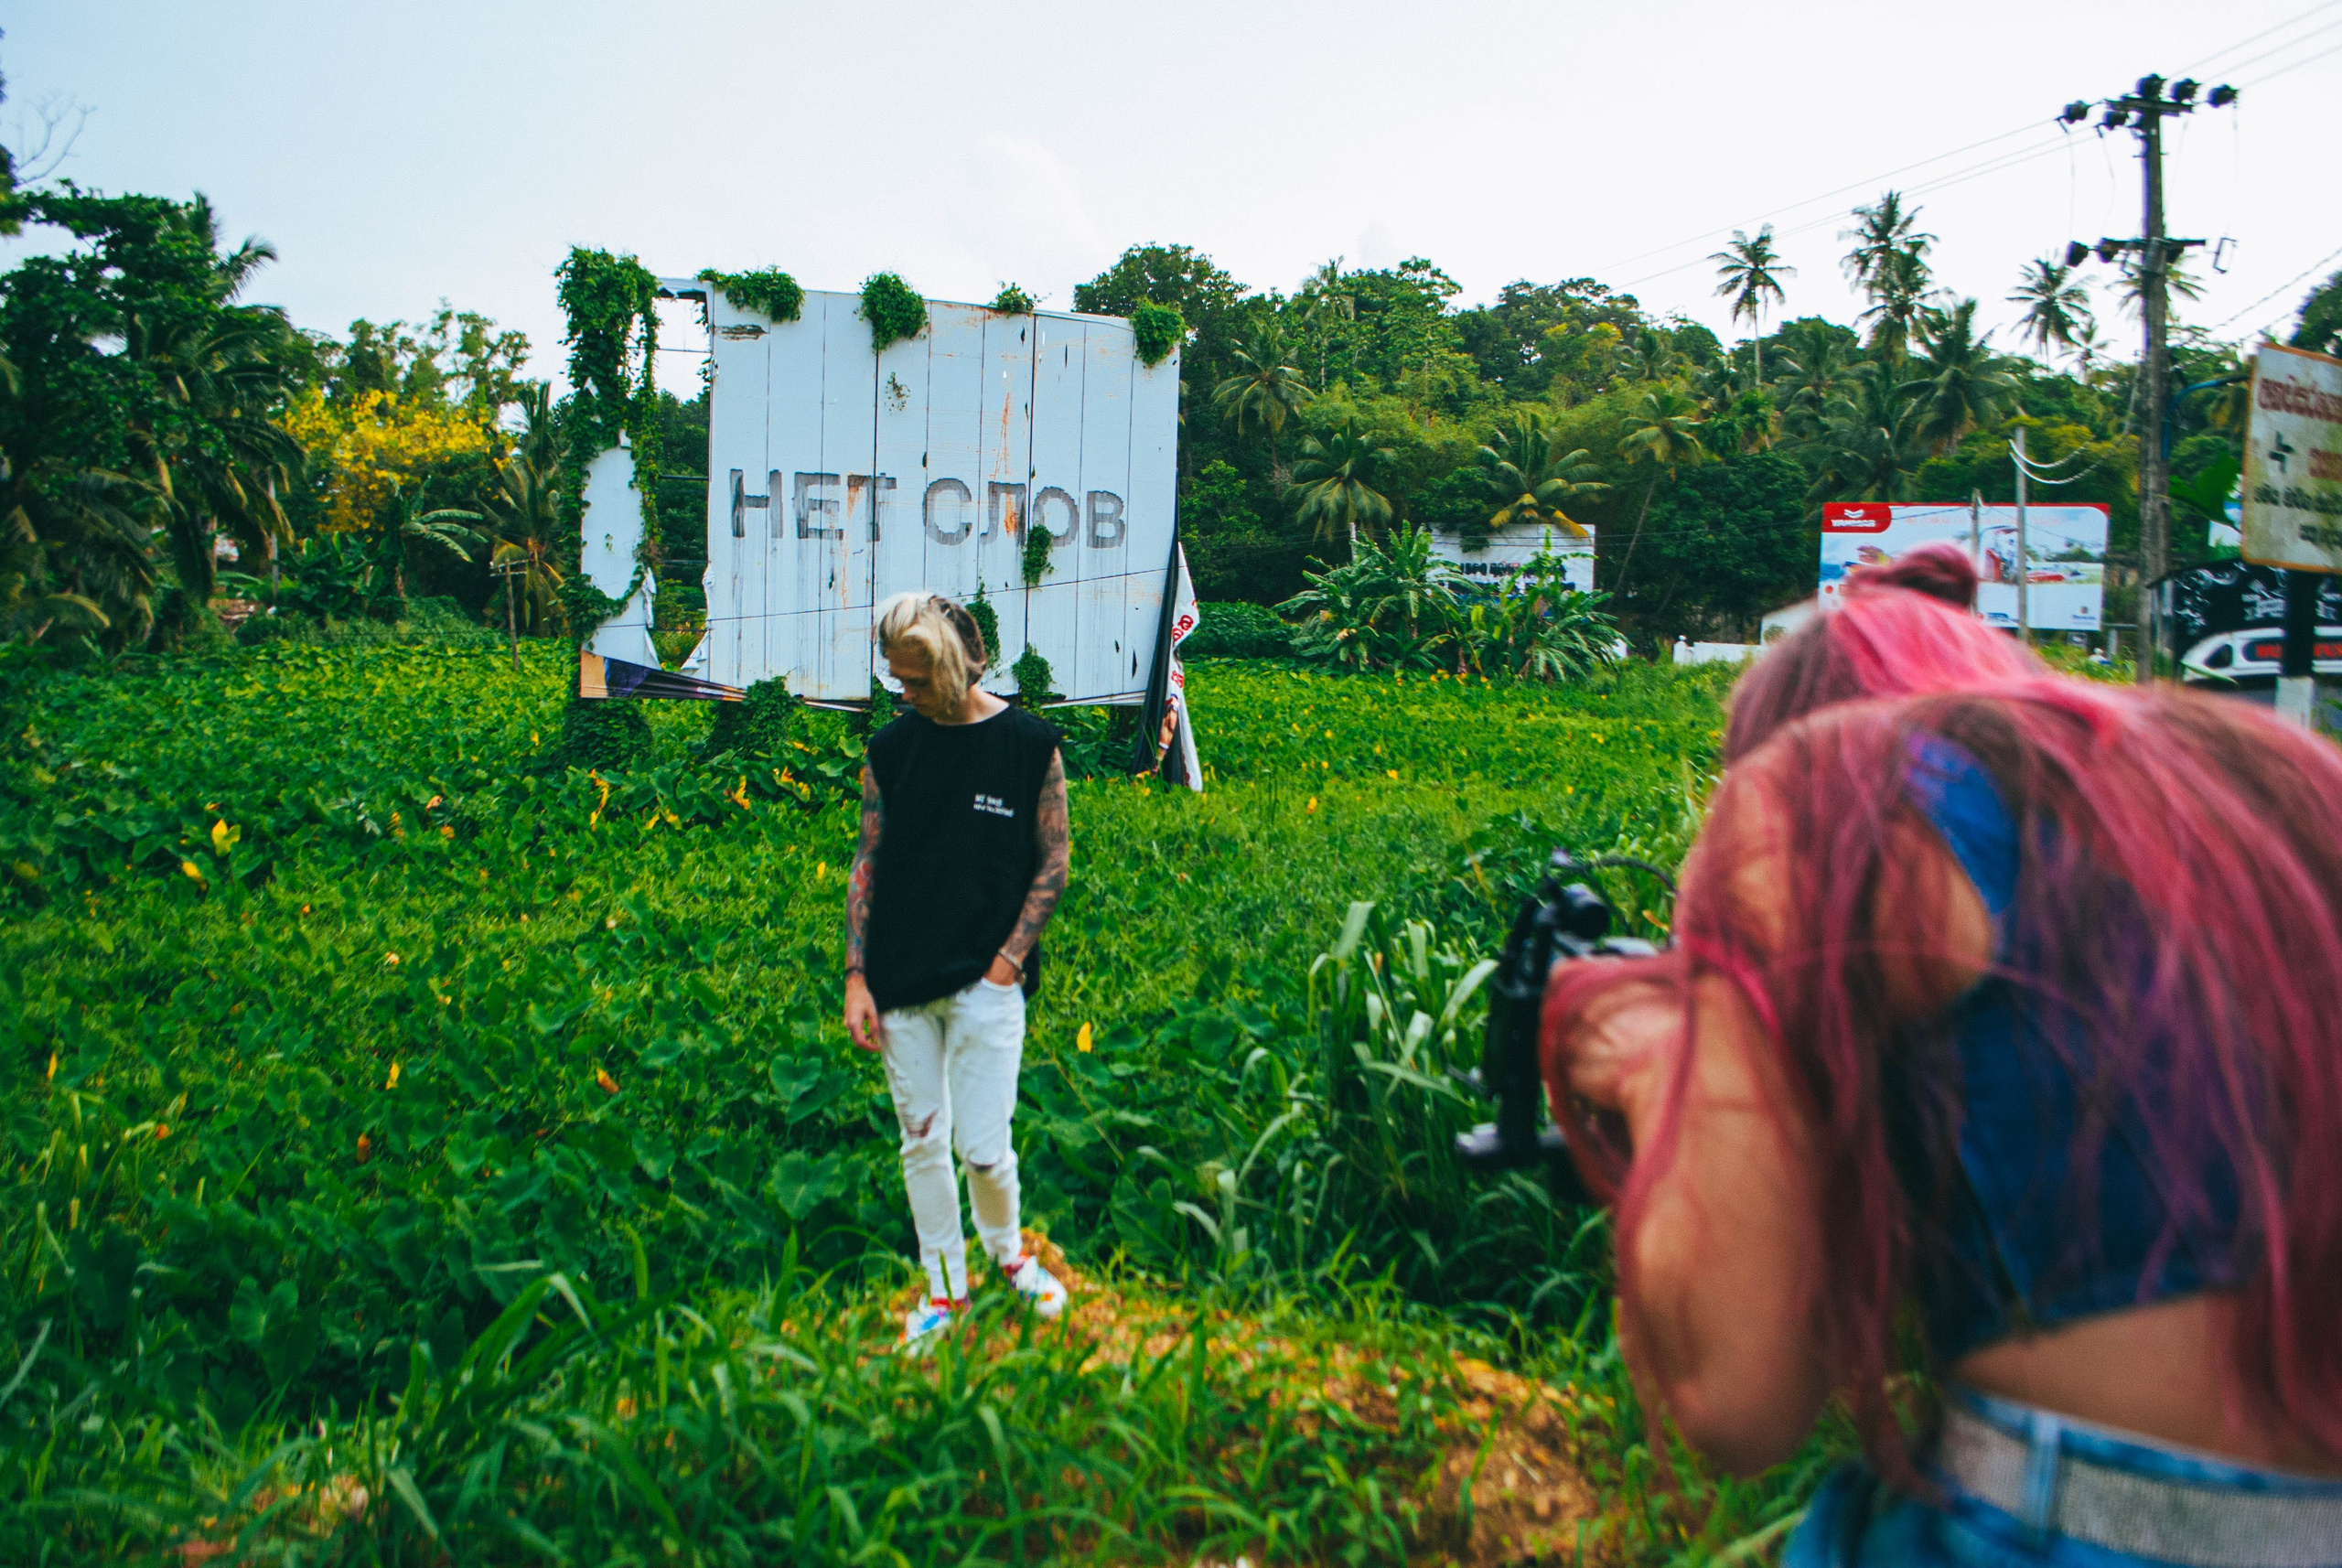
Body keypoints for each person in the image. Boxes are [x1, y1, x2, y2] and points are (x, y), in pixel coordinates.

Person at [1540, 548, 2342, 1565]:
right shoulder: (2275, 784)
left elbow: (1736, 1398)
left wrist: (1657, 1061)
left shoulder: (1819, 792)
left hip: (2064, 1515)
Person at [844, 591, 1070, 1344]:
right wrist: (855, 976)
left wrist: (1008, 962)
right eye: (895, 680)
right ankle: (946, 1291)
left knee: (983, 1147)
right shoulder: (892, 749)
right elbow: (869, 859)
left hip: (987, 981)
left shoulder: (1029, 743)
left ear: (951, 668)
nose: (901, 693)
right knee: (922, 1141)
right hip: (901, 982)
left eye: (912, 680)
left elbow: (1055, 861)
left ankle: (1008, 1256)